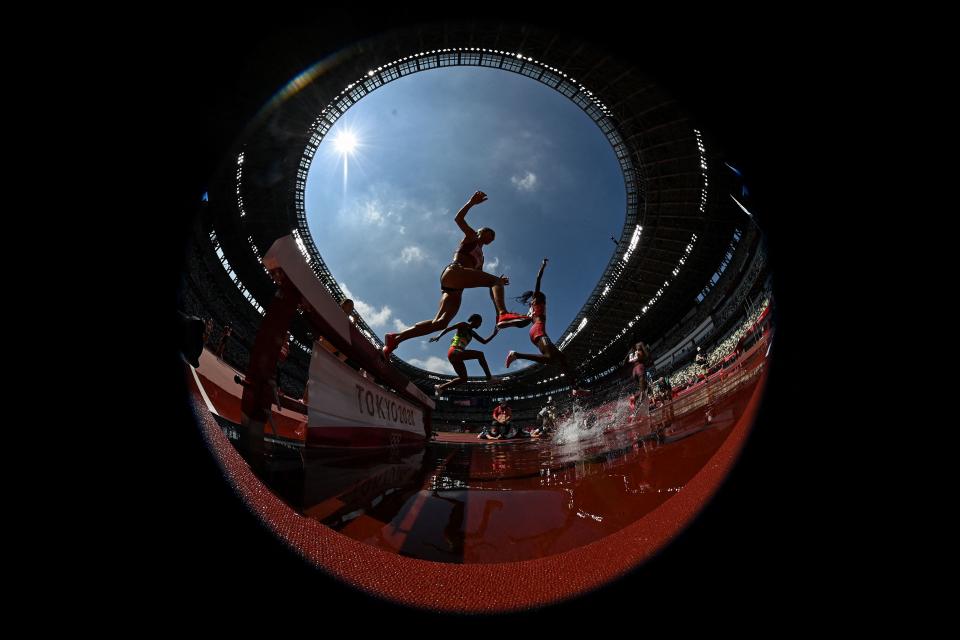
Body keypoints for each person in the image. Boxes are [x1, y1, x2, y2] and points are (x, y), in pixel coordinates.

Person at [382, 191, 529, 357]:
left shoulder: (482, 258)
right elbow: (458, 219)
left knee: (440, 323)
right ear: (482, 232)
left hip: (455, 289)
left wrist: (495, 281)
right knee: (495, 281)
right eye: (490, 234)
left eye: (493, 238)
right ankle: (503, 314)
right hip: (454, 272)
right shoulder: (472, 236)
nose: (492, 238)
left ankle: (395, 339)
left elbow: (477, 277)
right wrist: (471, 203)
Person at [503, 258, 589, 397]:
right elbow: (538, 279)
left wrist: (510, 323)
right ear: (537, 298)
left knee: (562, 358)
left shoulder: (532, 308)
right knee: (549, 358)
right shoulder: (536, 299)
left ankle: (575, 388)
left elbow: (523, 323)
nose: (545, 299)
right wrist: (543, 266)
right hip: (538, 329)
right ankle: (516, 355)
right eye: (544, 298)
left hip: (536, 330)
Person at [429, 314, 499, 396]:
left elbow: (484, 342)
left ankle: (440, 387)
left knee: (463, 379)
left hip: (457, 356)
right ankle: (489, 378)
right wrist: (438, 336)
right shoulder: (463, 324)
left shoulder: (473, 333)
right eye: (480, 323)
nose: (480, 325)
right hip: (455, 351)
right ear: (475, 321)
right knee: (480, 354)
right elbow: (448, 329)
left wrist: (494, 334)